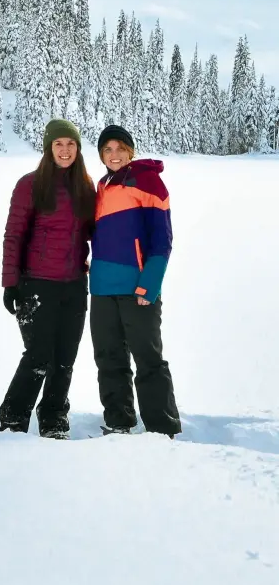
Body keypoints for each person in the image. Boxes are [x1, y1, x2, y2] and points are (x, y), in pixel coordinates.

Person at [0, 119, 96, 439]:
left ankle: (53, 416)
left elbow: (97, 233)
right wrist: (10, 282)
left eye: (70, 144)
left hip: (74, 285)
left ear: (78, 149)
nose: (65, 150)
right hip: (36, 283)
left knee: (65, 357)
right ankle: (13, 416)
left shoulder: (86, 186)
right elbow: (13, 236)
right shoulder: (30, 185)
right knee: (40, 356)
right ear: (48, 148)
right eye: (58, 144)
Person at [89, 124, 182, 438]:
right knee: (108, 357)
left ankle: (162, 427)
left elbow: (162, 240)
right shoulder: (101, 185)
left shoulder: (148, 181)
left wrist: (150, 285)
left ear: (130, 150)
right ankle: (119, 421)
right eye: (107, 149)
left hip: (137, 289)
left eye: (119, 148)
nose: (114, 155)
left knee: (148, 358)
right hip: (101, 287)